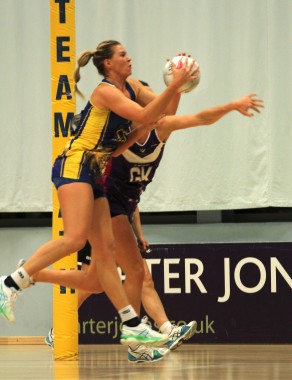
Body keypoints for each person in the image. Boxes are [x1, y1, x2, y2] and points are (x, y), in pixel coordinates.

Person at [42, 82, 263, 363]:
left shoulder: (161, 131)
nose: (155, 104)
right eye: (146, 100)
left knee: (100, 280)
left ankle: (150, 332)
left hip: (121, 210)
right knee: (133, 273)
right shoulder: (118, 137)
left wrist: (230, 105)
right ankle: (144, 336)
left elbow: (200, 118)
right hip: (101, 210)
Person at [0, 40, 197, 349]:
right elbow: (146, 117)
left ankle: (133, 330)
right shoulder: (106, 91)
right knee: (76, 239)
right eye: (122, 54)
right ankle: (11, 282)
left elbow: (162, 114)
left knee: (100, 269)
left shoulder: (132, 85)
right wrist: (177, 85)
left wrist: (179, 87)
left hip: (95, 172)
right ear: (108, 64)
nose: (129, 57)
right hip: (75, 164)